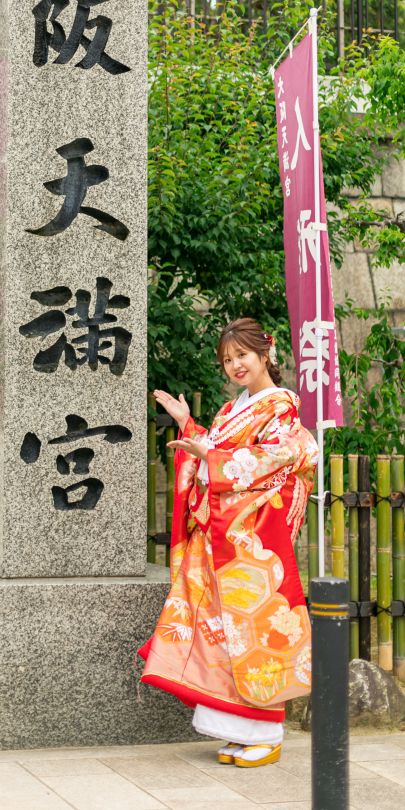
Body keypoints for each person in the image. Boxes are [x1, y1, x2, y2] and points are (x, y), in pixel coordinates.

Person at [139, 317, 317, 768]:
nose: (236, 365)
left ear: (265, 354)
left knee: (256, 630)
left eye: (243, 355)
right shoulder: (231, 409)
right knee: (220, 632)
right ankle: (237, 727)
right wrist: (189, 426)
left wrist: (213, 457)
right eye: (228, 359)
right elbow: (212, 458)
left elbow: (283, 456)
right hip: (220, 538)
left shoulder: (280, 408)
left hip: (251, 542)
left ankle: (266, 731)